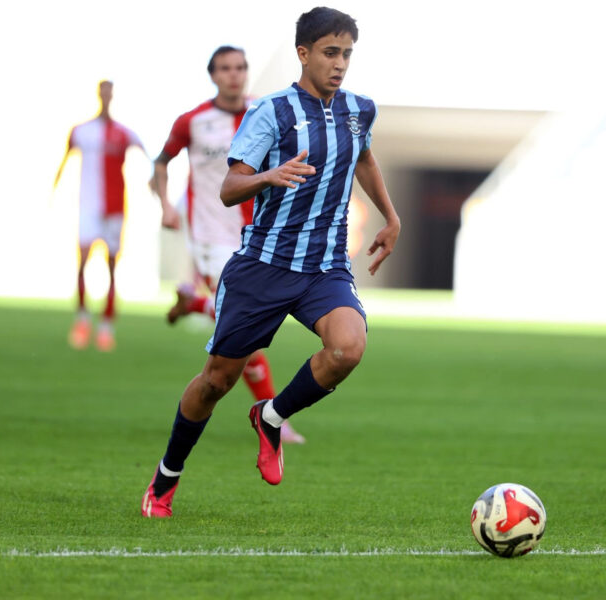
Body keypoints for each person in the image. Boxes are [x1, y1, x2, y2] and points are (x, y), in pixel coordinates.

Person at [141, 6, 401, 518]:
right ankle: (165, 479)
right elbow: (230, 187)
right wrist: (269, 175)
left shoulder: (360, 109)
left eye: (347, 54)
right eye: (330, 52)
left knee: (348, 347)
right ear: (303, 53)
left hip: (324, 267)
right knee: (216, 381)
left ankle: (271, 417)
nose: (340, 63)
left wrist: (391, 217)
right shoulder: (272, 111)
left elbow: (365, 158)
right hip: (263, 265)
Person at [150, 46, 305, 444]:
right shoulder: (193, 121)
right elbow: (161, 161)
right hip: (210, 238)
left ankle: (193, 304)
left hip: (258, 235)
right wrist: (165, 204)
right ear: (213, 75)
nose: (234, 75)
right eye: (225, 69)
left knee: (241, 326)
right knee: (244, 328)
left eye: (240, 67)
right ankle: (275, 418)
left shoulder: (264, 112)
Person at [53, 80, 178, 352]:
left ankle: (106, 326)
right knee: (82, 262)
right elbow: (64, 160)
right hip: (88, 207)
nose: (106, 96)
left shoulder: (124, 133)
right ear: (99, 94)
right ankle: (82, 318)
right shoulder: (81, 131)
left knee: (111, 266)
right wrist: (54, 190)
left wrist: (154, 181)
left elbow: (151, 158)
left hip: (115, 208)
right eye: (103, 91)